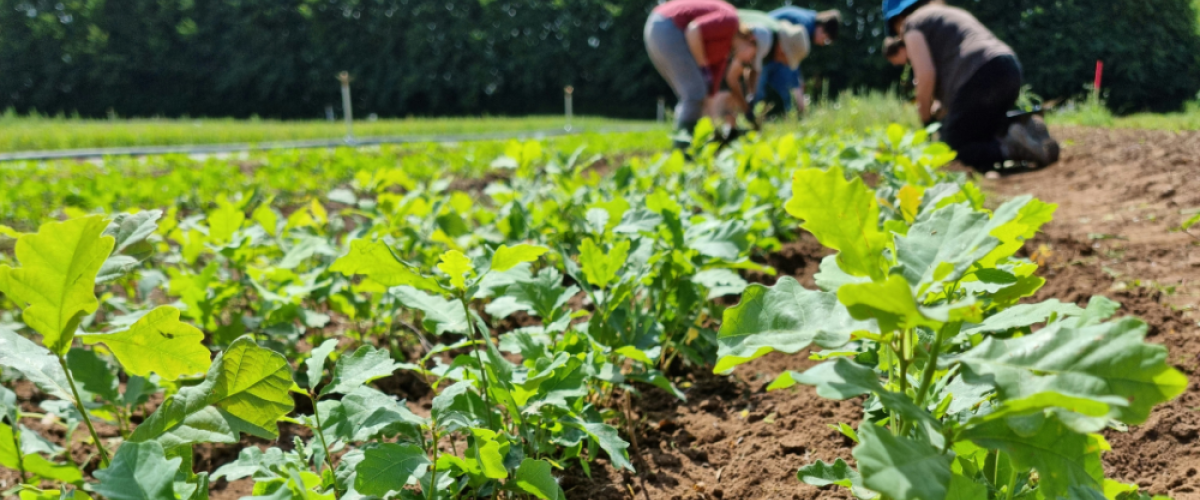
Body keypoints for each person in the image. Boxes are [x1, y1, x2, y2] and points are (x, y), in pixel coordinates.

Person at [882, 0, 1058, 172]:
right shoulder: (944, 12)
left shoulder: (912, 24)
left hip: (980, 74)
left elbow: (926, 75)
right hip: (1008, 67)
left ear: (897, 20)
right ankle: (1023, 129)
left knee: (952, 148)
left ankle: (1012, 147)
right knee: (980, 128)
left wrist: (926, 118)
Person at [645, 0, 757, 147]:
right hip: (667, 26)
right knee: (694, 93)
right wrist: (703, 67)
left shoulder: (723, 53)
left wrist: (714, 125)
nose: (749, 60)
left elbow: (710, 96)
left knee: (694, 95)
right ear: (750, 40)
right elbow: (694, 30)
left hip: (661, 28)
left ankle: (691, 143)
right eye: (751, 55)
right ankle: (683, 151)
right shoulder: (731, 21)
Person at [750, 8, 841, 119]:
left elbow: (792, 61)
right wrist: (799, 97)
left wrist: (798, 84)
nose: (822, 44)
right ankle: (753, 118)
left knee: (785, 88)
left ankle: (783, 116)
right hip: (760, 45)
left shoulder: (809, 19)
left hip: (770, 50)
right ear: (821, 28)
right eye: (826, 40)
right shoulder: (805, 27)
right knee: (759, 89)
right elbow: (790, 60)